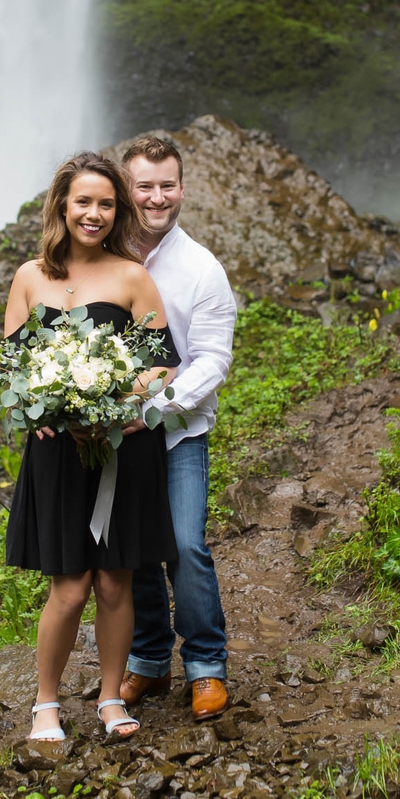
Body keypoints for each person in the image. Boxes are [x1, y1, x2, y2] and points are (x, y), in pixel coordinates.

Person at [3, 151, 181, 740]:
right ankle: (46, 704)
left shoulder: (132, 275)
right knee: (69, 584)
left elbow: (161, 364)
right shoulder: (30, 276)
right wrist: (41, 411)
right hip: (58, 450)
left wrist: (121, 401)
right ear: (62, 206)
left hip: (123, 449)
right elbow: (13, 366)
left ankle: (110, 699)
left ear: (118, 210)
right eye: (84, 201)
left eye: (106, 203)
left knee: (113, 581)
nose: (95, 213)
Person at [118, 134, 237, 723]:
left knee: (186, 547)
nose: (157, 197)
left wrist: (154, 409)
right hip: (113, 436)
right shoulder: (105, 257)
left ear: (183, 189)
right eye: (145, 186)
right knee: (134, 552)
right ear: (127, 188)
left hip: (177, 431)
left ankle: (207, 667)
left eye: (167, 186)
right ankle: (146, 661)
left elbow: (213, 361)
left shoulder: (201, 270)